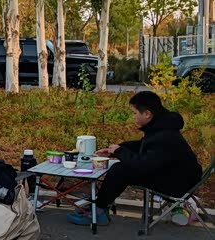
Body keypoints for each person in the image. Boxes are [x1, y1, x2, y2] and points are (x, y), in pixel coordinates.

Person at [67, 90, 202, 226]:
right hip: (173, 174)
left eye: (135, 113)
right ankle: (100, 206)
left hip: (177, 184)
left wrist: (120, 152)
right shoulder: (162, 127)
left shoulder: (164, 136)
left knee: (120, 171)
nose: (133, 117)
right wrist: (115, 150)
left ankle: (98, 211)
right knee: (121, 169)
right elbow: (142, 146)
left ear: (147, 114)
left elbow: (142, 165)